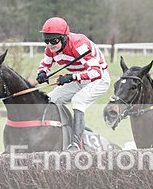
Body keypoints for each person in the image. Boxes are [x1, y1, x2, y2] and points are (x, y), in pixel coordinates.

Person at [36, 17, 111, 151]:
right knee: (50, 100)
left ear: (64, 38)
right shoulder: (50, 49)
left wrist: (71, 77)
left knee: (78, 100)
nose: (50, 45)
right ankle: (64, 132)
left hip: (99, 79)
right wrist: (42, 72)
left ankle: (75, 144)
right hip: (79, 78)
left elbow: (96, 72)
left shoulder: (78, 44)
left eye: (54, 41)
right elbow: (46, 64)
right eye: (46, 41)